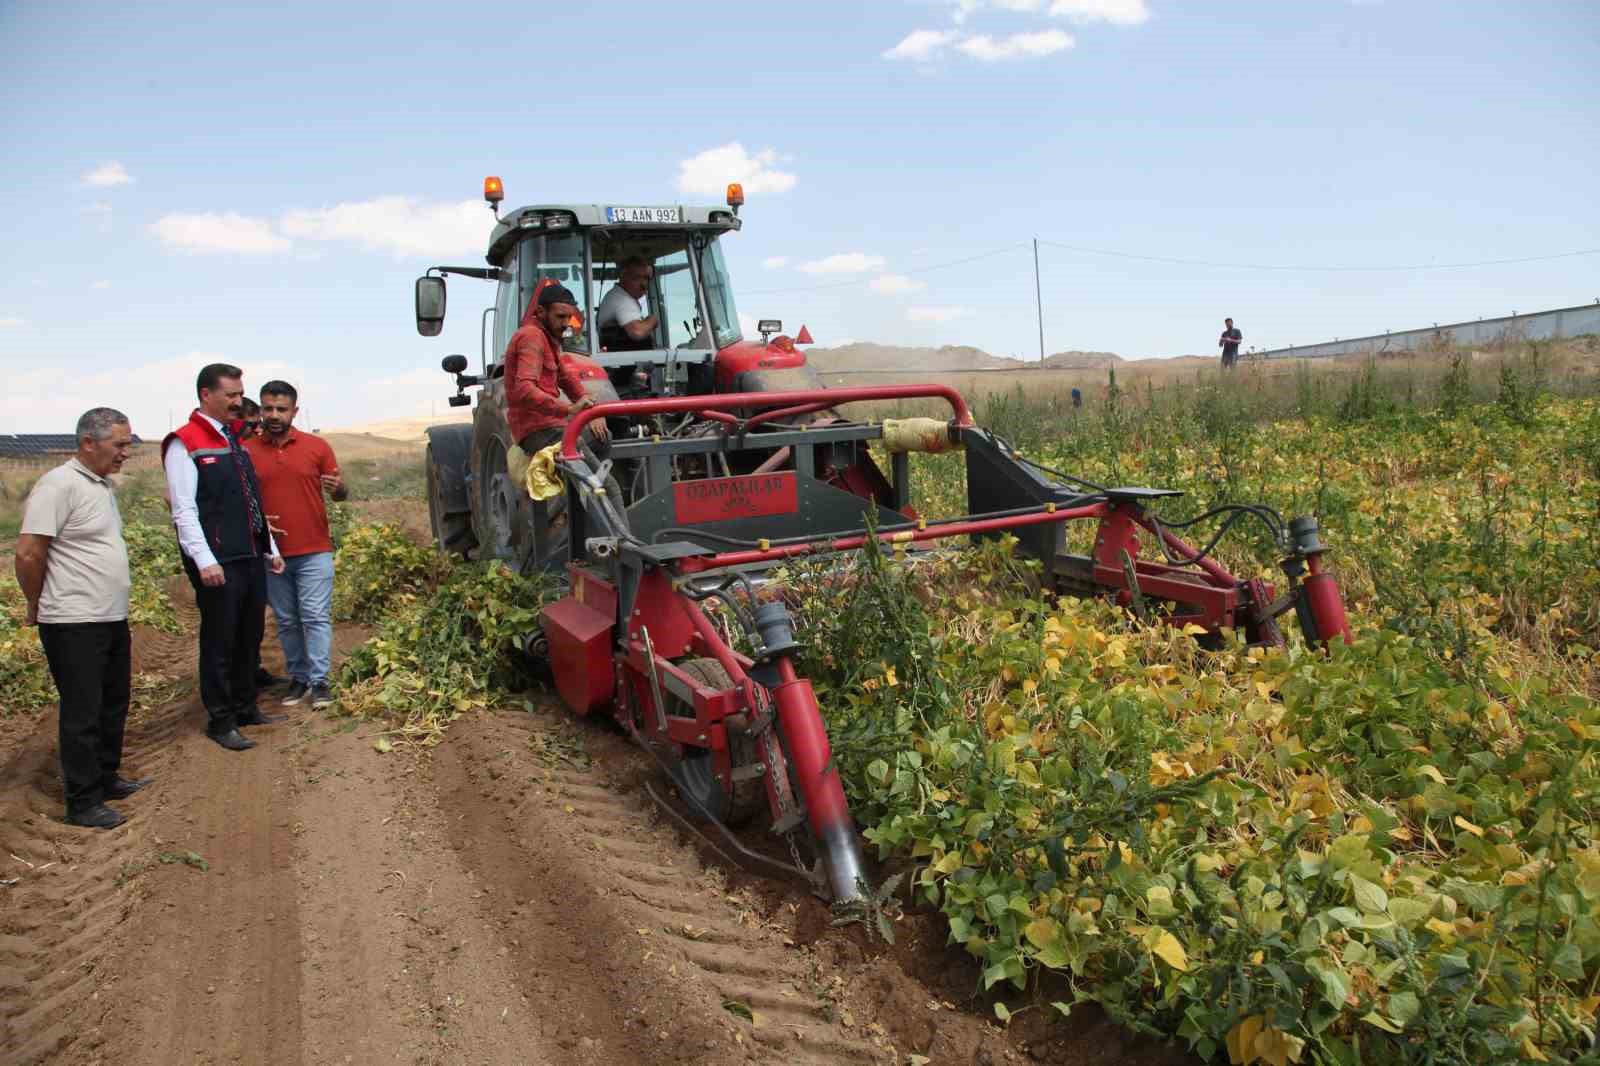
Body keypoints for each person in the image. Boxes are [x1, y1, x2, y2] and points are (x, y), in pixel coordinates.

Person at [14, 408, 152, 829]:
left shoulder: (99, 484)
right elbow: (28, 553)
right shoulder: (58, 485)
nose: (126, 452)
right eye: (120, 444)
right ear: (89, 443)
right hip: (73, 620)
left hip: (108, 616)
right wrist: (36, 604)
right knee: (82, 712)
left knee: (113, 704)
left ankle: (106, 778)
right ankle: (83, 801)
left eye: (128, 444)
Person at [163, 363, 286, 752]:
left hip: (248, 552)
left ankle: (246, 706)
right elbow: (184, 509)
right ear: (206, 395)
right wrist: (204, 560)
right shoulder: (185, 443)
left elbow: (251, 500)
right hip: (218, 559)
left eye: (239, 394)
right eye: (231, 395)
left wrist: (270, 548)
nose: (238, 402)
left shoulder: (232, 438)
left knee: (249, 632)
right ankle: (221, 719)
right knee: (221, 639)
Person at [245, 380, 345, 709]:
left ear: (294, 411)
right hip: (272, 554)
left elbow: (341, 493)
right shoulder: (246, 451)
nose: (273, 415)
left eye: (281, 409)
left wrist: (338, 488)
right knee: (287, 620)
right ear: (260, 409)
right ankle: (299, 677)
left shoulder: (316, 447)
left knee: (315, 616)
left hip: (314, 548)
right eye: (268, 408)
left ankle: (319, 682)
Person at [506, 283, 604, 457]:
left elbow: (566, 379)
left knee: (602, 438)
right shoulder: (531, 336)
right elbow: (524, 389)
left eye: (568, 317)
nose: (566, 323)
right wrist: (568, 409)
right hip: (536, 429)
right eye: (560, 317)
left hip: (551, 425)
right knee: (602, 482)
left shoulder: (549, 339)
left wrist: (591, 410)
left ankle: (574, 482)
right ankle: (591, 483)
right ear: (541, 312)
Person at [596, 257, 659, 350]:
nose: (643, 284)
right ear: (623, 277)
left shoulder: (616, 295)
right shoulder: (622, 299)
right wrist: (653, 320)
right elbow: (637, 332)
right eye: (636, 278)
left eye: (645, 278)